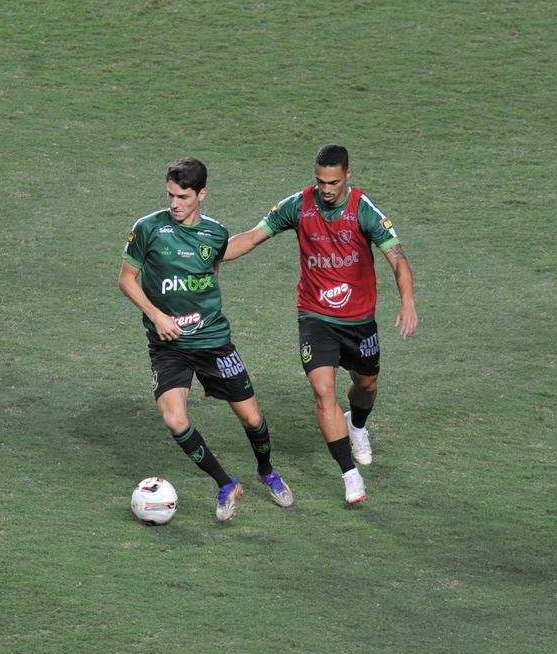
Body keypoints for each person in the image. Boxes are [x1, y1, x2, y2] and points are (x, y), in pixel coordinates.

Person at [224, 144, 418, 504]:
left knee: (366, 385)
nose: (326, 189)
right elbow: (252, 236)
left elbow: (398, 259)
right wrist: (212, 256)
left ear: (347, 175)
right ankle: (350, 475)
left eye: (333, 182)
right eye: (320, 181)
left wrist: (407, 302)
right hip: (316, 316)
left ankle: (357, 425)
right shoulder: (299, 205)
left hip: (359, 321)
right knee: (323, 391)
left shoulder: (363, 209)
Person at [119, 158, 293, 523]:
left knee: (252, 418)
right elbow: (126, 279)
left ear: (201, 194)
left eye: (183, 196)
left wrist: (271, 225)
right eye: (170, 195)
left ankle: (266, 470)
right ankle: (225, 483)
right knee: (175, 420)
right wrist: (157, 316)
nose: (174, 203)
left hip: (214, 343)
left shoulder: (214, 233)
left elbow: (223, 258)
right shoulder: (148, 229)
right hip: (168, 347)